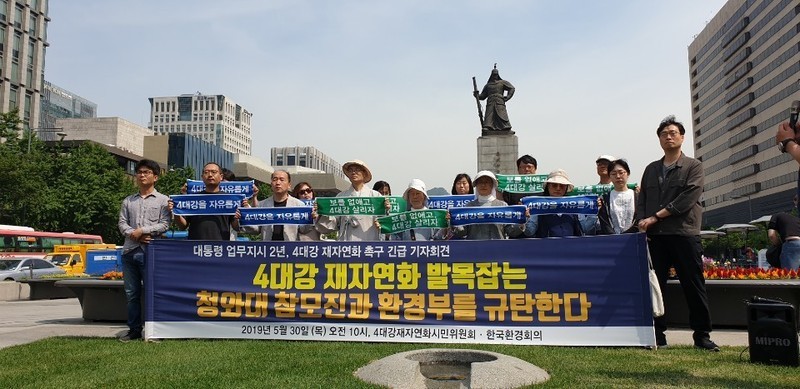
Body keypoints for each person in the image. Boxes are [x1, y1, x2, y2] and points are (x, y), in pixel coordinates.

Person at [637, 116, 718, 351]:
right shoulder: (651, 169)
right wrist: (643, 220)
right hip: (656, 237)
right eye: (664, 134)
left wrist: (656, 216)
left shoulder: (694, 166)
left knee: (693, 285)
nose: (668, 137)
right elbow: (642, 200)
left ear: (682, 137)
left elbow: (688, 198)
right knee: (655, 286)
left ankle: (702, 336)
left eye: (673, 133)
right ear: (659, 139)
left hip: (684, 234)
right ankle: (658, 335)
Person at [117, 159, 171, 342]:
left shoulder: (164, 200)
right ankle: (133, 330)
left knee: (153, 292)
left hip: (152, 252)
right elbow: (122, 223)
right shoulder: (128, 201)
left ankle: (153, 331)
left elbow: (165, 224)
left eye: (146, 172)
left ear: (155, 177)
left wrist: (144, 231)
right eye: (139, 172)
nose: (141, 175)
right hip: (130, 252)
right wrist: (135, 234)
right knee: (132, 294)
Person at [316, 160, 385, 241]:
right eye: (351, 170)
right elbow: (333, 223)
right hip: (347, 244)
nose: (353, 172)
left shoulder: (375, 196)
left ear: (364, 173)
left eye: (357, 170)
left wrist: (386, 211)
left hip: (369, 242)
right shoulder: (341, 196)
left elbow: (384, 222)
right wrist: (322, 213)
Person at [170, 162, 241, 240]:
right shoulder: (193, 198)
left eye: (214, 172)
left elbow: (236, 227)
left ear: (221, 177)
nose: (210, 175)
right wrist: (175, 212)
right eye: (206, 172)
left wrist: (237, 218)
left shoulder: (229, 199)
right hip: (196, 248)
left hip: (220, 247)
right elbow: (182, 226)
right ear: (202, 177)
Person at [450, 171, 523, 240]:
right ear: (476, 186)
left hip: (498, 250)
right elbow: (462, 232)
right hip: (474, 250)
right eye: (480, 182)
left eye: (486, 182)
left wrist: (522, 221)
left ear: (492, 185)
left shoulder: (502, 206)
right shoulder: (469, 206)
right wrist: (452, 222)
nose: (483, 185)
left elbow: (511, 230)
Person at [244, 170, 309, 241]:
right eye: (275, 179)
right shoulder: (262, 205)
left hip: (290, 249)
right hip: (267, 248)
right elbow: (256, 229)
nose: (278, 183)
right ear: (271, 184)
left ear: (289, 185)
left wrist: (312, 218)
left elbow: (304, 230)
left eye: (282, 180)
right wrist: (244, 217)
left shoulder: (298, 205)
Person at [524, 169, 586, 238]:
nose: (558, 188)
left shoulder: (575, 206)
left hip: (571, 247)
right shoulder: (538, 206)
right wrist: (524, 218)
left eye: (562, 186)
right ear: (548, 186)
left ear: (566, 188)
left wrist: (594, 211)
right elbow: (529, 231)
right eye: (554, 185)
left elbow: (585, 228)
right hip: (546, 247)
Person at [598, 159, 638, 234]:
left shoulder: (637, 196)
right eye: (614, 174)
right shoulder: (604, 198)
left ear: (628, 173)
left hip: (634, 238)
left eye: (621, 173)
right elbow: (604, 222)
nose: (618, 176)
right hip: (613, 241)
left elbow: (639, 219)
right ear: (609, 176)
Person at [474, 66, 515, 133]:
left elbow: (512, 88)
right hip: (490, 102)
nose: (495, 76)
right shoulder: (488, 85)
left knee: (502, 114)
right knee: (489, 115)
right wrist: (477, 95)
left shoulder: (502, 82)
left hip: (499, 101)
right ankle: (488, 127)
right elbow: (482, 96)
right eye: (494, 75)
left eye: (496, 74)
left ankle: (506, 128)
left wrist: (508, 96)